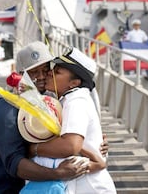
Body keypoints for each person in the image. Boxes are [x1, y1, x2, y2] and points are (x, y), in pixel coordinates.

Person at [0, 41, 90, 194]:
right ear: (21, 75)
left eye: (45, 69)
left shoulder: (48, 102)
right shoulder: (7, 107)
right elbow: (14, 163)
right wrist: (59, 173)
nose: (41, 76)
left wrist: (92, 143)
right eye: (34, 72)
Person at [27, 47, 116, 193]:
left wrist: (33, 149)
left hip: (90, 187)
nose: (49, 73)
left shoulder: (76, 101)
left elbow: (70, 146)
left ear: (74, 83)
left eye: (57, 72)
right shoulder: (66, 99)